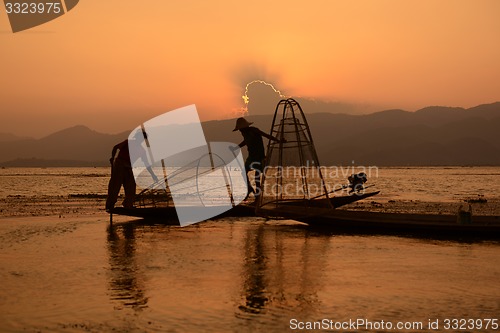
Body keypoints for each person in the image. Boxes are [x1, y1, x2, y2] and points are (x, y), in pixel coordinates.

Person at [232, 117, 284, 200]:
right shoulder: (244, 133)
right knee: (243, 173)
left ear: (244, 127)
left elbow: (266, 135)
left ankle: (257, 195)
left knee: (257, 176)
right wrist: (236, 147)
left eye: (240, 129)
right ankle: (249, 189)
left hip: (259, 157)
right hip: (251, 157)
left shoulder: (254, 130)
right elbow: (246, 141)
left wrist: (278, 140)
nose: (240, 131)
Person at [105, 130, 158, 211]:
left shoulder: (141, 150)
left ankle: (128, 204)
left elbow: (147, 164)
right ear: (137, 137)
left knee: (131, 187)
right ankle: (110, 204)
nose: (141, 140)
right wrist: (112, 158)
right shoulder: (128, 142)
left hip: (129, 166)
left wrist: (153, 175)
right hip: (120, 164)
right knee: (115, 185)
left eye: (143, 139)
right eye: (141, 138)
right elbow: (115, 147)